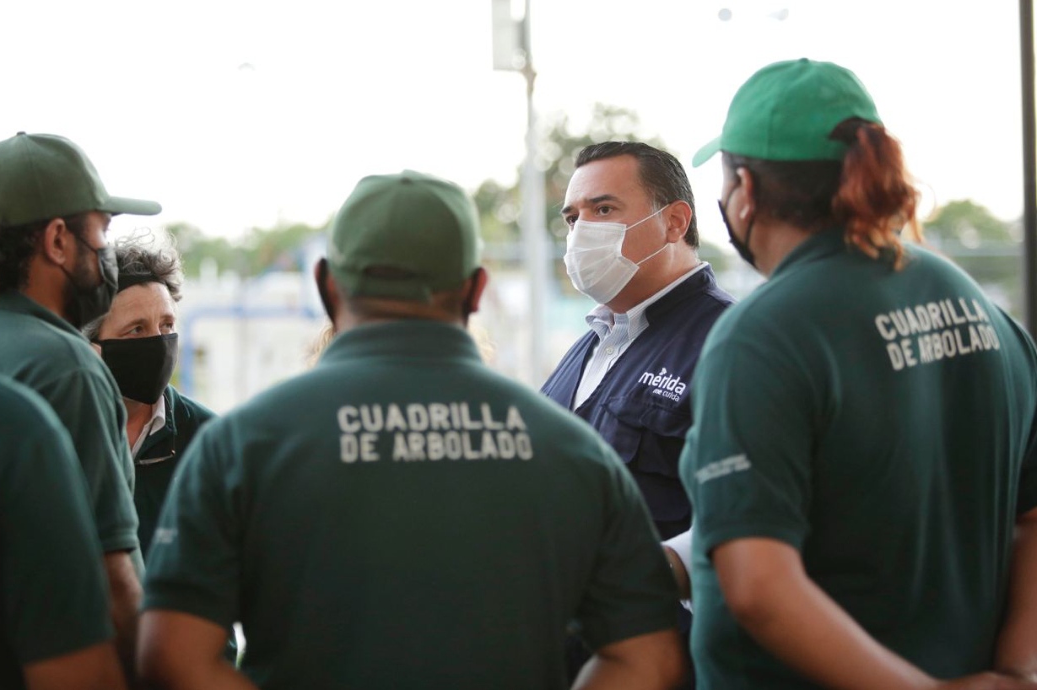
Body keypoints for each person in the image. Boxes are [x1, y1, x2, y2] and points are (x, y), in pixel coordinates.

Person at [137, 170, 684, 689]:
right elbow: (648, 657)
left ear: (327, 286)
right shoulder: (570, 450)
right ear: (475, 290)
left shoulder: (243, 445)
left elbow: (172, 654)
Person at [681, 57, 1037, 689]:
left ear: (746, 191)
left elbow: (759, 585)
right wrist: (1017, 669)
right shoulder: (975, 301)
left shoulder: (761, 336)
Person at [541, 141, 735, 680]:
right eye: (572, 217)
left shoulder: (728, 341)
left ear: (674, 222)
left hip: (668, 662)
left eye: (603, 209)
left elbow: (746, 520)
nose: (582, 232)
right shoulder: (590, 345)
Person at [0, 131, 161, 681]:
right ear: (58, 240)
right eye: (102, 231)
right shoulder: (67, 367)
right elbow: (113, 582)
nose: (107, 253)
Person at [82, 231, 216, 557]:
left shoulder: (208, 439)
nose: (158, 342)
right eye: (137, 329)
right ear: (90, 346)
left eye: (167, 325)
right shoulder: (62, 431)